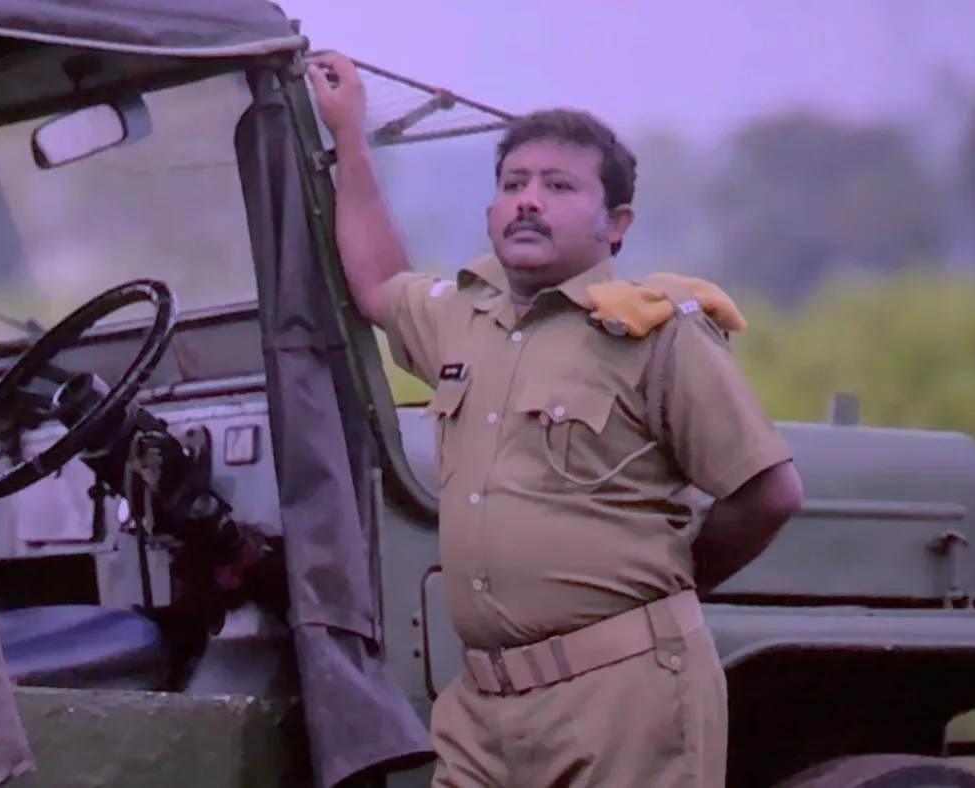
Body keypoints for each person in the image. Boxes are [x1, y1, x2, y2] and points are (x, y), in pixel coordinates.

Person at [305, 52, 805, 788]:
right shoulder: (463, 318)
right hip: (483, 709)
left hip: (622, 698)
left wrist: (668, 588)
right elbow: (379, 282)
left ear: (616, 225)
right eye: (513, 185)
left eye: (559, 186)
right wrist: (349, 134)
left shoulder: (657, 335)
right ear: (491, 211)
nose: (528, 202)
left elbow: (770, 493)